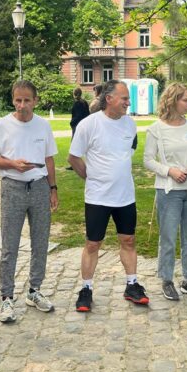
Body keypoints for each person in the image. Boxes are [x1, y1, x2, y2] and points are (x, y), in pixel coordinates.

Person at [68, 79, 149, 311]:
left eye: (128, 99)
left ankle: (132, 285)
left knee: (129, 240)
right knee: (93, 244)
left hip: (125, 196)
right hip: (97, 198)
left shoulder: (130, 125)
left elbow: (128, 151)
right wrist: (90, 177)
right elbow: (73, 157)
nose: (128, 102)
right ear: (109, 98)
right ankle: (86, 289)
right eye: (124, 98)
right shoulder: (89, 124)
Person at [0, 80, 59, 323]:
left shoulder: (43, 126)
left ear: (35, 101)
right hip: (13, 187)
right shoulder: (2, 125)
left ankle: (34, 290)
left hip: (38, 186)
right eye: (18, 100)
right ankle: (7, 296)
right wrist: (12, 164)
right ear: (13, 100)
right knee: (10, 246)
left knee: (40, 242)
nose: (22, 105)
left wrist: (53, 189)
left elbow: (49, 159)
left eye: (27, 100)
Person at [143, 83, 187, 301]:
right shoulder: (156, 129)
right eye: (185, 100)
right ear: (173, 101)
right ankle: (167, 280)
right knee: (168, 237)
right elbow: (148, 160)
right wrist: (169, 170)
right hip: (169, 191)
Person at [68, 87, 90, 170]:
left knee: (75, 144)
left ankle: (74, 164)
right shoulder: (84, 102)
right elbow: (88, 114)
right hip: (84, 125)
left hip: (77, 125)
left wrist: (72, 123)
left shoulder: (77, 103)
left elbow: (78, 115)